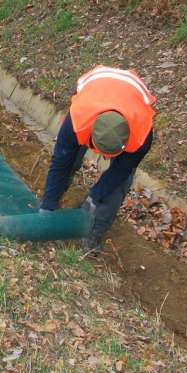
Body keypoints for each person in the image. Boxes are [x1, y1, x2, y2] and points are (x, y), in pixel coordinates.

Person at [39, 65, 156, 253]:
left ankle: (93, 232)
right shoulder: (78, 121)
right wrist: (47, 205)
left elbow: (121, 170)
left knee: (118, 183)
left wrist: (95, 197)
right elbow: (60, 162)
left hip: (132, 100)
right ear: (91, 134)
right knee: (69, 159)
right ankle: (53, 207)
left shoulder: (141, 136)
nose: (102, 157)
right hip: (95, 88)